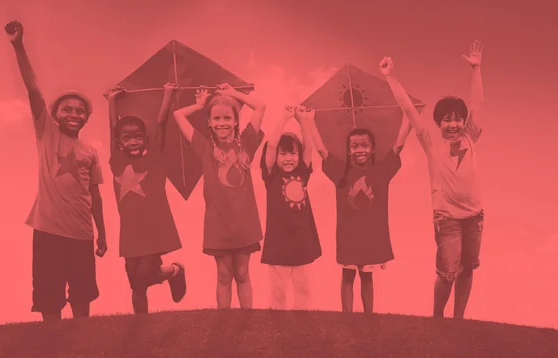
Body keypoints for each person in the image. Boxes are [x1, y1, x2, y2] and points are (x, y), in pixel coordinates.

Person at [5, 21, 107, 321]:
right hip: (48, 231)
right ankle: (51, 345)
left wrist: (102, 233)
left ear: (86, 119)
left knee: (82, 296)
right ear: (54, 114)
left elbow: (95, 195)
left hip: (82, 234)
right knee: (50, 298)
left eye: (80, 111)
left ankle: (82, 343)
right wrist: (18, 45)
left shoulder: (90, 152)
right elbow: (33, 88)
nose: (74, 114)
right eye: (68, 109)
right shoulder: (47, 134)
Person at [380, 40, 486, 319]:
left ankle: (458, 319)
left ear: (464, 122)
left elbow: (478, 103)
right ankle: (438, 318)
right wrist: (391, 77)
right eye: (447, 120)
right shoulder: (430, 142)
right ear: (438, 124)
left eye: (458, 119)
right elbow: (408, 109)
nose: (453, 125)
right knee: (448, 273)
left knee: (468, 268)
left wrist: (475, 70)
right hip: (447, 218)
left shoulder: (471, 136)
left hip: (474, 216)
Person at [307, 105, 412, 313]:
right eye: (355, 146)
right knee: (347, 276)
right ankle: (347, 316)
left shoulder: (381, 172)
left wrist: (409, 117)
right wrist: (309, 120)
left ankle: (368, 316)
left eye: (364, 145)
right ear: (349, 150)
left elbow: (398, 146)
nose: (360, 150)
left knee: (367, 276)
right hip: (348, 235)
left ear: (373, 148)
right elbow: (321, 151)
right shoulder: (341, 172)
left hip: (371, 236)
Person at [172, 83, 265, 309]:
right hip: (218, 223)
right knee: (223, 274)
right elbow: (178, 115)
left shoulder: (247, 143)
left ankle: (247, 320)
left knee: (242, 273)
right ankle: (224, 321)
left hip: (245, 222)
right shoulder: (203, 146)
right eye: (216, 119)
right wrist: (199, 105)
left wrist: (231, 93)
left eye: (227, 118)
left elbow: (260, 106)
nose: (222, 123)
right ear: (209, 123)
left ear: (235, 121)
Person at [106, 84, 186, 314]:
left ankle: (173, 271)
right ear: (119, 142)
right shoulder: (116, 160)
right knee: (134, 279)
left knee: (143, 274)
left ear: (145, 139)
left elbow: (161, 123)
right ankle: (140, 324)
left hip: (154, 226)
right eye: (126, 138)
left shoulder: (154, 158)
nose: (132, 141)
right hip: (130, 230)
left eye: (138, 137)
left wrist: (168, 95)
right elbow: (113, 126)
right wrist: (112, 101)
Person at [259, 105, 322, 310]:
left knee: (303, 286)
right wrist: (284, 118)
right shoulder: (271, 176)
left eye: (292, 154)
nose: (288, 159)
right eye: (283, 154)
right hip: (278, 239)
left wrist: (305, 120)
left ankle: (303, 321)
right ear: (275, 158)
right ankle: (278, 322)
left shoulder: (302, 172)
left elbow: (309, 147)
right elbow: (270, 146)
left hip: (302, 237)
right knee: (278, 288)